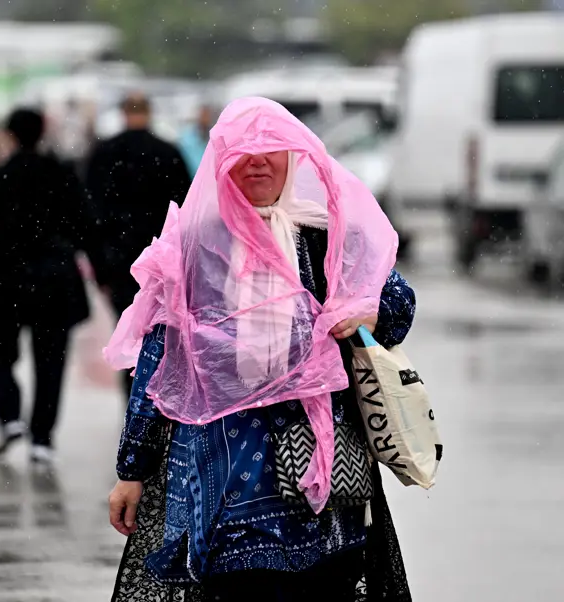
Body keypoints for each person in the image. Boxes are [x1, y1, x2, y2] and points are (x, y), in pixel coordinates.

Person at [106, 98, 415, 601]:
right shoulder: (193, 248)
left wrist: (368, 314)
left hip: (322, 481)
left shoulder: (321, 235)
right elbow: (158, 363)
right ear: (220, 163)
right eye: (241, 152)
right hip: (224, 480)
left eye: (271, 149)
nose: (257, 162)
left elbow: (398, 305)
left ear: (294, 156)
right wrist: (132, 471)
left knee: (323, 589)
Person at [0, 108, 108, 465]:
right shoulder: (62, 177)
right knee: (51, 361)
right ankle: (43, 437)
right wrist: (103, 272)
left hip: (5, 281)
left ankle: (8, 416)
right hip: (54, 280)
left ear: (9, 134)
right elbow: (86, 225)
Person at [84, 92, 192, 399]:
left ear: (122, 112)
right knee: (160, 331)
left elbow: (92, 214)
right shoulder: (169, 152)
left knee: (129, 329)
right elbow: (184, 209)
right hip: (161, 259)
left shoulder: (104, 154)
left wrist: (100, 266)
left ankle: (132, 395)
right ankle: (156, 397)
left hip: (119, 260)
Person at [178, 103, 215, 178]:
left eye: (207, 116)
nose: (205, 119)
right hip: (193, 178)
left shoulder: (215, 136)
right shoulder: (187, 138)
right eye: (203, 115)